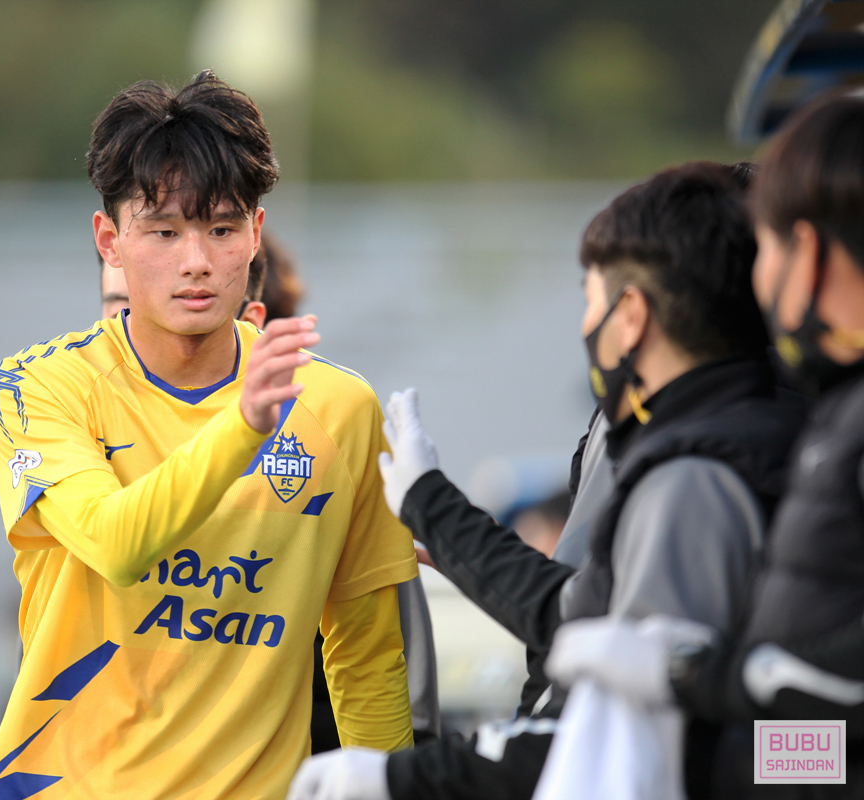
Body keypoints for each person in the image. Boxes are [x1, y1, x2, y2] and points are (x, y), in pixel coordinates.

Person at [287, 162, 807, 800]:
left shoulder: (695, 471)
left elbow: (610, 699)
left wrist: (400, 777)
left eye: (590, 300)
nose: (585, 326)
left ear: (632, 314)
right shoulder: (762, 430)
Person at [0, 71, 417, 800]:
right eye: (164, 231)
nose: (197, 262)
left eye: (221, 229)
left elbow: (366, 658)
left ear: (256, 235)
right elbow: (117, 545)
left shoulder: (340, 408)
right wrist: (243, 427)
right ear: (110, 241)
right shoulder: (35, 388)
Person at [546, 92, 864, 797]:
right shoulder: (833, 413)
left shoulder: (703, 461)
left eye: (768, 249)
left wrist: (690, 699)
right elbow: (822, 743)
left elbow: (830, 738)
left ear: (807, 251)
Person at [101, 230, 441, 752]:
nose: (128, 330)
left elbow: (388, 686)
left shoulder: (334, 445)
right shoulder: (77, 440)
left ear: (251, 325)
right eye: (116, 309)